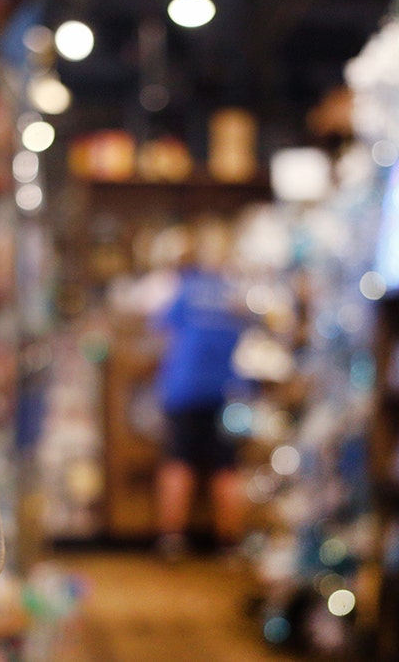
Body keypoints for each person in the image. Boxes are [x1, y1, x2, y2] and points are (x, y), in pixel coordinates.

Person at [152, 223, 248, 560]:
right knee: (227, 467)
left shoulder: (186, 289)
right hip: (226, 389)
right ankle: (230, 544)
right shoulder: (236, 294)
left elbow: (161, 328)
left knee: (178, 462)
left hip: (183, 389)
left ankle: (172, 539)